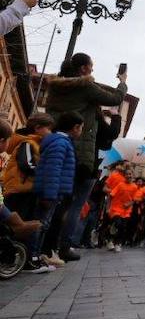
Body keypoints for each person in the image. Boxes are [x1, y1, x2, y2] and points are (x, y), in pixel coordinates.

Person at [44, 53, 126, 263]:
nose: (92, 70)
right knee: (70, 205)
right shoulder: (85, 88)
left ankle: (43, 246)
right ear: (83, 69)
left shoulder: (55, 88)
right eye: (91, 67)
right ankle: (58, 248)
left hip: (53, 143)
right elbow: (115, 99)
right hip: (79, 153)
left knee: (51, 200)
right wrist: (122, 82)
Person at [27, 111, 80, 273]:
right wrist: (49, 194)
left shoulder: (61, 142)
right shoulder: (61, 143)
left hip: (53, 191)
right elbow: (53, 169)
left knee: (44, 224)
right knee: (40, 224)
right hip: (50, 192)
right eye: (81, 128)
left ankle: (36, 255)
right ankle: (32, 258)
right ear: (75, 127)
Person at [2, 113, 55, 221]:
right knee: (13, 221)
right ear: (37, 128)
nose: (51, 133)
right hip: (18, 191)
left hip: (27, 190)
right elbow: (26, 164)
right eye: (49, 129)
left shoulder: (37, 145)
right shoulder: (27, 143)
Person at [107, 168, 138, 252]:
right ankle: (111, 240)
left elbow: (135, 199)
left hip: (126, 211)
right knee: (118, 223)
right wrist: (107, 208)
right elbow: (111, 195)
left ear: (132, 175)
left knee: (123, 227)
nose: (129, 176)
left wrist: (129, 204)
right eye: (127, 174)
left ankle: (117, 243)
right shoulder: (120, 185)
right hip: (116, 209)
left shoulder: (135, 187)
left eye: (130, 174)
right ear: (124, 176)